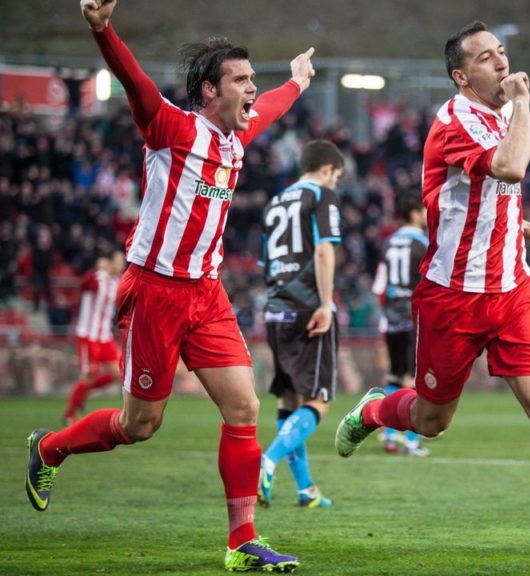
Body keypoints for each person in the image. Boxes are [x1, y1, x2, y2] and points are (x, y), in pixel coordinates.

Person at [25, 1, 314, 571]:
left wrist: (298, 82)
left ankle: (241, 543)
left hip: (206, 293)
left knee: (243, 407)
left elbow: (273, 108)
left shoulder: (237, 137)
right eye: (242, 80)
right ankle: (49, 447)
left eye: (254, 79)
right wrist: (102, 28)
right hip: (155, 291)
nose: (254, 89)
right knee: (141, 425)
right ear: (209, 91)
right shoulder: (170, 127)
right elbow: (132, 80)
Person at [334, 21, 530, 574]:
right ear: (461, 76)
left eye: (503, 54)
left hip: (512, 291)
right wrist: (522, 105)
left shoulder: (496, 117)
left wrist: (526, 225)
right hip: (452, 298)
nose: (501, 64)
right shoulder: (454, 121)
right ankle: (373, 410)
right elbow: (511, 168)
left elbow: (484, 200)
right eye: (487, 58)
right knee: (431, 421)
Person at [257, 140, 344, 511]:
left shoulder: (275, 202)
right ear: (326, 170)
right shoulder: (321, 196)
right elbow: (324, 249)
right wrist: (325, 304)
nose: (336, 184)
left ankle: (306, 489)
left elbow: (267, 259)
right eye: (337, 177)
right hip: (309, 308)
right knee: (318, 400)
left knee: (288, 399)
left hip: (276, 309)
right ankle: (267, 460)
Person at [371, 193, 430, 456]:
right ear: (415, 214)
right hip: (413, 314)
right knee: (413, 377)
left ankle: (389, 434)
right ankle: (411, 441)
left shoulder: (389, 243)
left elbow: (379, 285)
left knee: (395, 375)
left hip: (392, 313)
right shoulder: (423, 243)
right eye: (425, 211)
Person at [61, 249, 126, 424]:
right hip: (88, 335)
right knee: (90, 375)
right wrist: (96, 269)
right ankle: (69, 414)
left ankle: (83, 392)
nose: (122, 265)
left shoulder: (116, 281)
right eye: (119, 261)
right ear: (109, 262)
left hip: (104, 336)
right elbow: (83, 284)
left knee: (118, 372)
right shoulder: (97, 278)